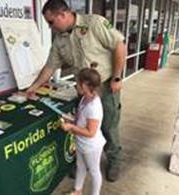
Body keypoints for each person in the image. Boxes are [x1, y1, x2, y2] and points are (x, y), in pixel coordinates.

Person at [26, 0, 126, 182]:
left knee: (108, 126)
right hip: (83, 91)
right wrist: (33, 87)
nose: (50, 27)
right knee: (83, 127)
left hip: (105, 84)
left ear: (62, 15)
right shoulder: (59, 40)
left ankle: (115, 161)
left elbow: (119, 45)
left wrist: (117, 77)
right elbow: (50, 67)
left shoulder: (94, 23)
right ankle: (85, 161)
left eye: (51, 22)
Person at [61, 67, 106, 195]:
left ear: (85, 85)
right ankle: (77, 191)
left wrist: (71, 127)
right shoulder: (85, 98)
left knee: (94, 171)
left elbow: (91, 132)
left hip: (91, 146)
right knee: (80, 167)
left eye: (78, 82)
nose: (76, 85)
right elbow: (81, 118)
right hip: (81, 142)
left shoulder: (94, 107)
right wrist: (71, 118)